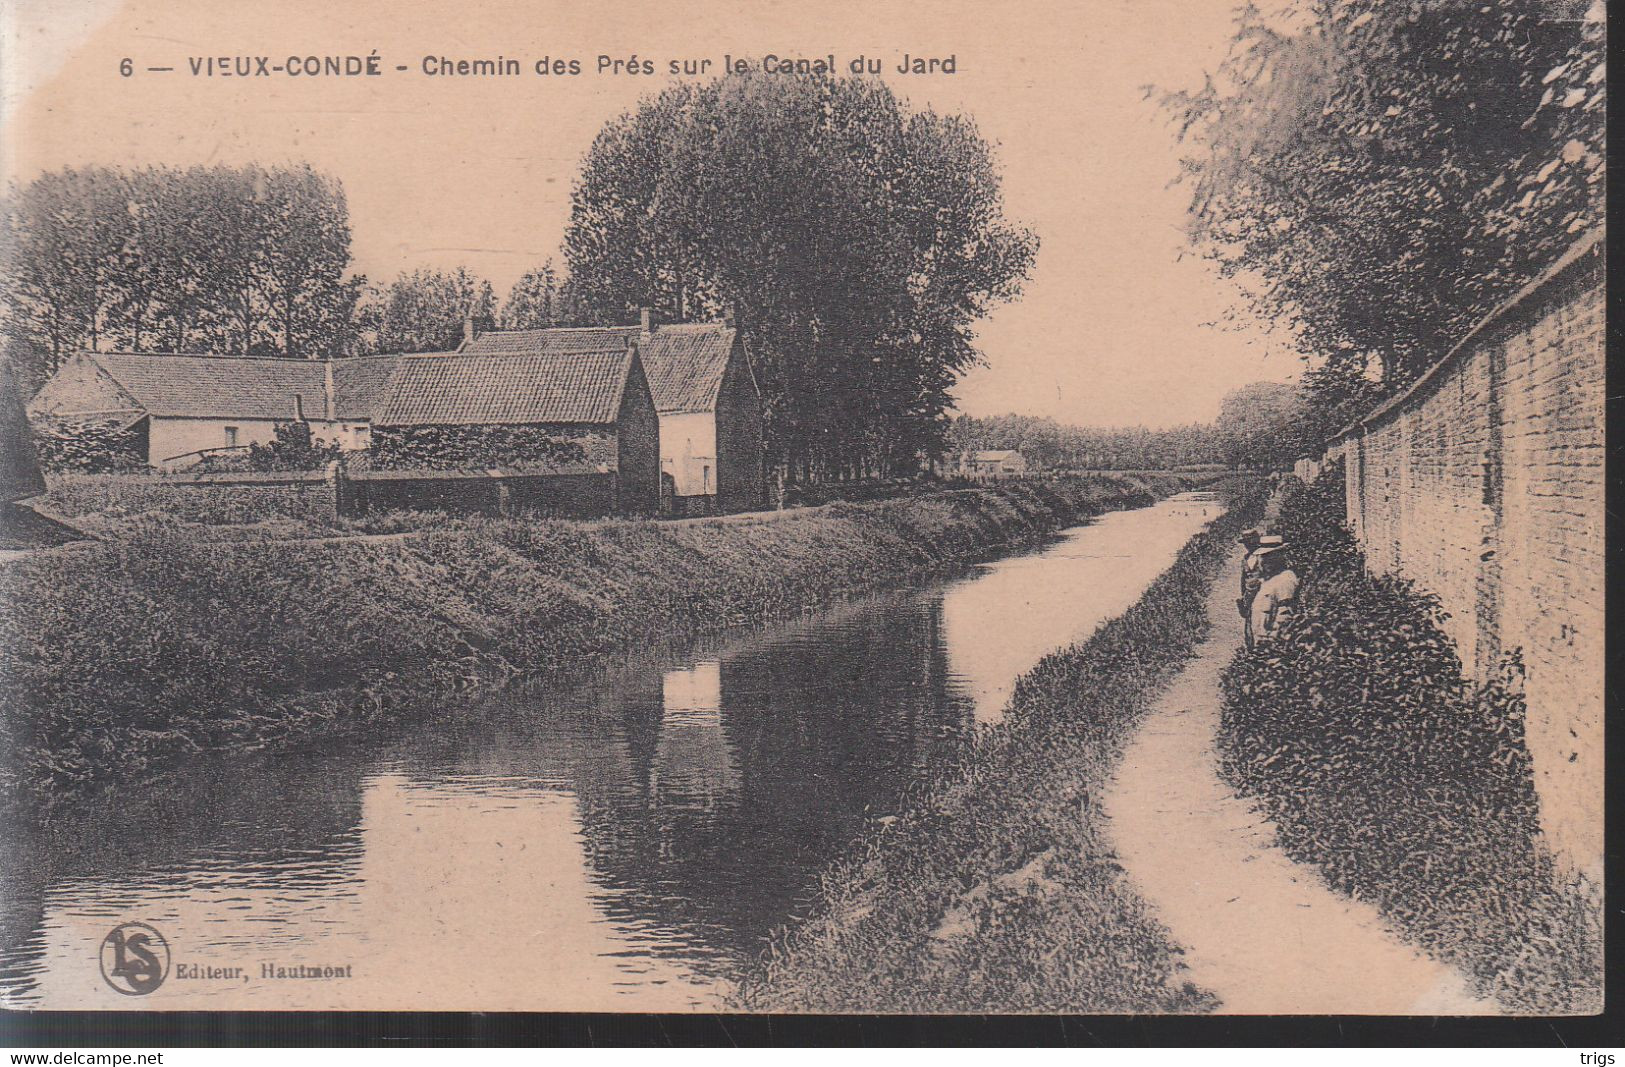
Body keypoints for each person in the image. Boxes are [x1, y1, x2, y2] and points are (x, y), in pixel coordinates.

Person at [1250, 537, 1300, 644]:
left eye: (1271, 556)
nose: (1265, 561)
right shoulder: (1267, 580)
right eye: (1263, 557)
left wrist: (1271, 643)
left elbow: (1285, 616)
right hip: (1261, 642)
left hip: (1272, 646)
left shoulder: (1286, 579)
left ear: (1280, 556)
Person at [1236, 528, 1264, 649]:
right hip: (1249, 596)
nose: (1248, 545)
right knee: (1249, 624)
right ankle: (1250, 650)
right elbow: (1243, 579)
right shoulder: (1246, 558)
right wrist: (1243, 597)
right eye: (1246, 543)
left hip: (1261, 594)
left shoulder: (1263, 556)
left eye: (1250, 542)